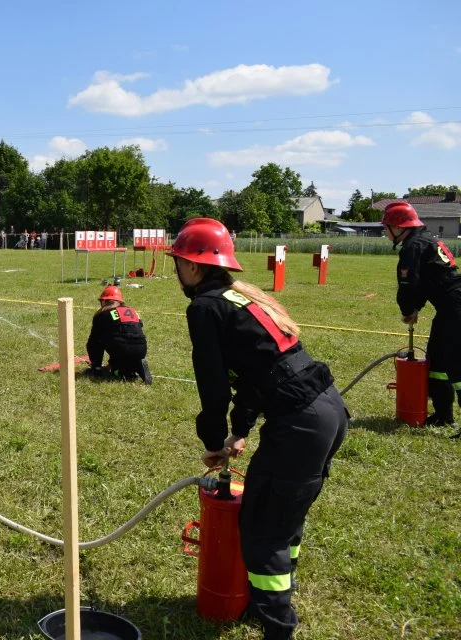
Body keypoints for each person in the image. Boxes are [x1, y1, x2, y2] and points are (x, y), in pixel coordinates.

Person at [168, 217, 348, 640]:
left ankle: (278, 627)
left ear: (193, 267)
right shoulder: (240, 297)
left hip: (300, 425)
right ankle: (277, 594)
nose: (176, 270)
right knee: (285, 516)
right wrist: (239, 429)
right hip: (328, 411)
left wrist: (213, 441)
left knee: (263, 530)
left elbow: (213, 387)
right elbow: (254, 374)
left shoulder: (204, 307)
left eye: (177, 261)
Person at [382, 201, 461, 426]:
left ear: (398, 228)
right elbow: (429, 281)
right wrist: (417, 307)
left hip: (455, 306)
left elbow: (408, 285)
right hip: (449, 306)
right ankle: (443, 416)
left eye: (386, 227)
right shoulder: (426, 241)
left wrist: (408, 310)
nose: (385, 233)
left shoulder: (412, 247)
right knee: (437, 361)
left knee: (456, 364)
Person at [85, 285, 151, 383]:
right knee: (118, 337)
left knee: (97, 339)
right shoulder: (132, 311)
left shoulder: (102, 314)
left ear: (105, 301)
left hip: (121, 349)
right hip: (141, 349)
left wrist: (96, 362)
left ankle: (97, 369)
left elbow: (93, 341)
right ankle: (136, 365)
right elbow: (138, 327)